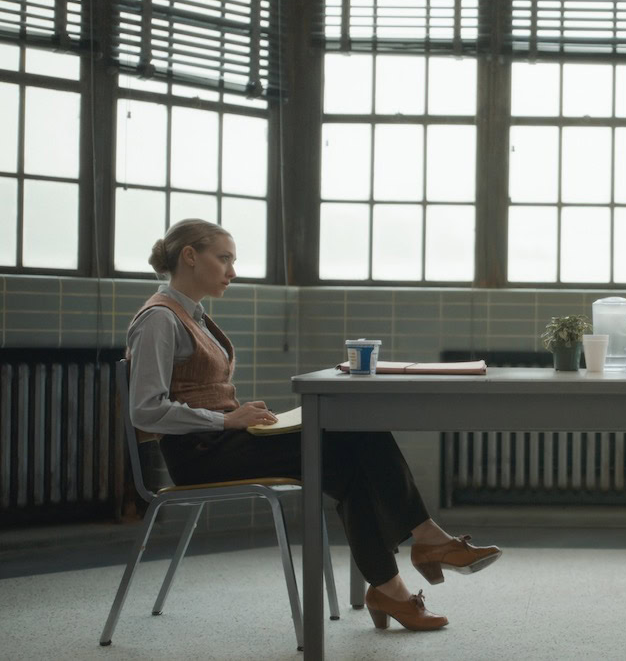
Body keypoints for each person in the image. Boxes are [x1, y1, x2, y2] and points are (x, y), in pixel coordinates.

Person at [126, 218, 501, 632]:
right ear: (190, 257)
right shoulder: (159, 318)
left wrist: (235, 416)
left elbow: (199, 389)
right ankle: (427, 539)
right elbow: (145, 410)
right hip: (200, 455)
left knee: (350, 459)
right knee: (353, 434)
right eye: (225, 259)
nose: (232, 271)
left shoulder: (193, 316)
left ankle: (389, 588)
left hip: (224, 440)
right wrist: (227, 418)